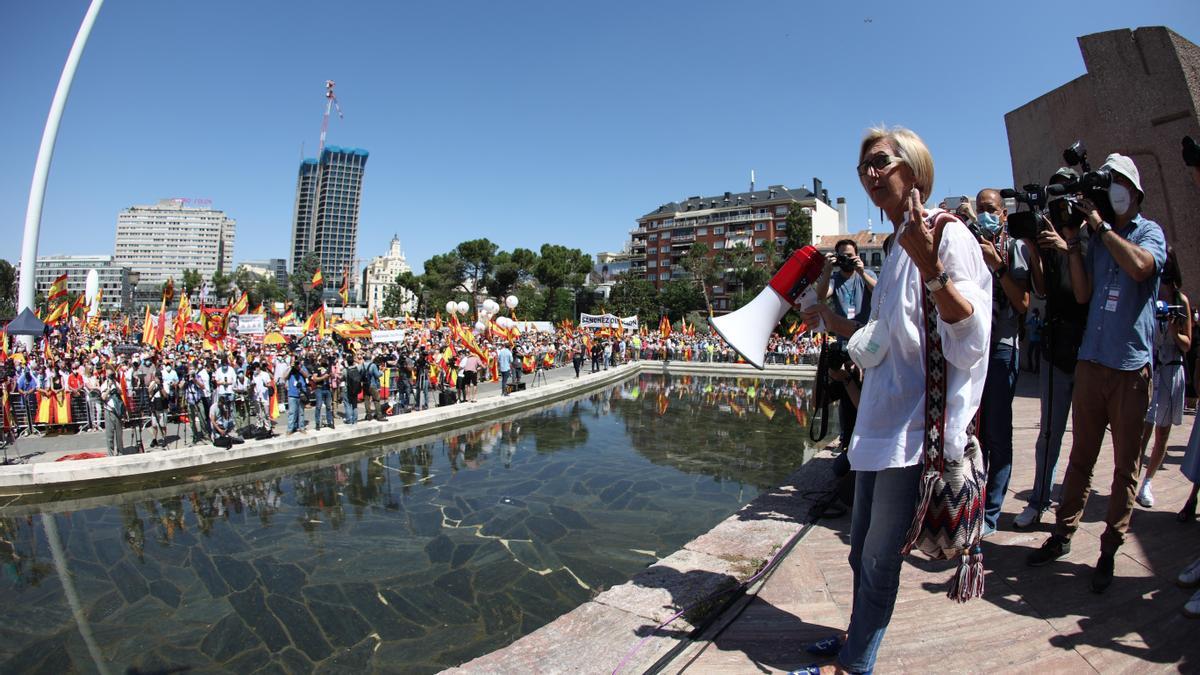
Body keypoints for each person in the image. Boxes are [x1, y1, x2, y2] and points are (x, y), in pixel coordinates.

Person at [803, 126, 990, 674]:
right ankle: (855, 636)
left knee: (881, 555)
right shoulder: (892, 249)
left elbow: (973, 338)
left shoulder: (944, 235)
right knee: (861, 547)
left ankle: (855, 664)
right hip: (880, 425)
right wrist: (829, 323)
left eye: (881, 161)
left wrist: (932, 269)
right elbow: (882, 339)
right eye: (863, 166)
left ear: (914, 168)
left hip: (916, 434)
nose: (870, 173)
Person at [1027, 154, 1167, 594]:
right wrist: (1072, 244)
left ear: (1134, 191)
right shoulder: (1093, 236)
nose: (1108, 194)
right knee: (1080, 459)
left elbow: (1142, 267)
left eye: (1116, 184)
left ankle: (1109, 548)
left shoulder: (1148, 232)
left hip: (1129, 369)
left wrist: (1102, 230)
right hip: (1092, 362)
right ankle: (1063, 534)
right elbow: (1084, 294)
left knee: (1125, 466)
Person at [1014, 169, 1091, 529]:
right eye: (1055, 198)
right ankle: (1039, 499)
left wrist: (1069, 246)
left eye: (1067, 197)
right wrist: (1033, 248)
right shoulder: (1050, 239)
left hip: (1089, 351)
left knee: (1086, 435)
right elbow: (1042, 290)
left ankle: (1072, 507)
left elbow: (1083, 294)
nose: (1062, 208)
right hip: (1056, 348)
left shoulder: (1093, 236)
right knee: (1049, 433)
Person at [964, 187, 1032, 536]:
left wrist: (997, 265)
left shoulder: (1015, 248)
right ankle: (972, 501)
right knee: (972, 432)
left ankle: (991, 511)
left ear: (1003, 214)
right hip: (973, 348)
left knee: (997, 434)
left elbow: (1022, 302)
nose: (984, 214)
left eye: (990, 209)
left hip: (1002, 348)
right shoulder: (970, 246)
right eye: (979, 209)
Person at [1135, 250, 1191, 508]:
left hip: (1172, 369)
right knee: (1141, 431)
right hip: (1152, 369)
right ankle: (1131, 478)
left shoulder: (1181, 300)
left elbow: (1187, 344)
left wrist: (1173, 329)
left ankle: (1148, 482)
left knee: (1163, 433)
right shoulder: (1150, 295)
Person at [814, 238, 876, 452]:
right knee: (843, 390)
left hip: (866, 342)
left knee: (864, 388)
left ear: (857, 255)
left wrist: (861, 272)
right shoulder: (834, 278)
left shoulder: (867, 274)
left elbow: (879, 293)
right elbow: (820, 297)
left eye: (850, 255)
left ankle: (865, 433)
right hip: (844, 343)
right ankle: (846, 436)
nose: (846, 259)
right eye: (842, 256)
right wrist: (826, 270)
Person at [100, 369, 124, 456]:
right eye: (110, 375)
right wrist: (109, 388)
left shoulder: (116, 383)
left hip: (117, 411)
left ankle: (120, 452)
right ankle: (111, 453)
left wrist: (116, 386)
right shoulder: (104, 385)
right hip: (109, 410)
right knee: (110, 434)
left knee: (119, 434)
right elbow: (103, 397)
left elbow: (121, 392)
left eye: (112, 375)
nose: (111, 377)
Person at [286, 364, 308, 435]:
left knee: (301, 412)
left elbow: (307, 375)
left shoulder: (302, 367)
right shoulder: (290, 369)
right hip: (292, 394)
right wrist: (291, 367)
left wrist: (299, 368)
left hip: (301, 393)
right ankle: (290, 429)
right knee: (292, 412)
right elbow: (284, 376)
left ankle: (301, 428)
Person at [311, 363, 334, 430]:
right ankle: (317, 423)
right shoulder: (317, 367)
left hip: (327, 388)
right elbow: (314, 379)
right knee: (318, 406)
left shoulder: (328, 367)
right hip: (319, 388)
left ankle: (330, 422)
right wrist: (323, 377)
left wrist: (331, 375)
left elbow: (332, 376)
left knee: (329, 406)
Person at [343, 353, 362, 425]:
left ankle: (349, 419)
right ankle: (355, 420)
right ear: (353, 361)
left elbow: (342, 378)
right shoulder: (357, 368)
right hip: (355, 388)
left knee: (347, 404)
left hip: (347, 389)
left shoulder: (345, 370)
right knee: (354, 404)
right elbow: (361, 363)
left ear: (347, 362)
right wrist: (356, 361)